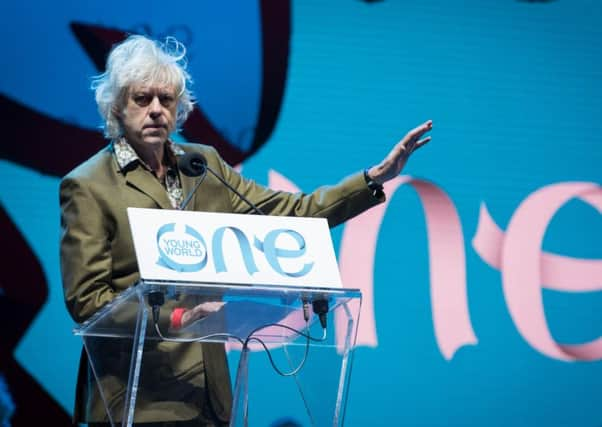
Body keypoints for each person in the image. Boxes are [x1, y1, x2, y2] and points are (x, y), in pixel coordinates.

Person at [59, 34, 432, 426]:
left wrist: (374, 178)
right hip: (137, 400)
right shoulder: (88, 185)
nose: (155, 110)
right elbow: (88, 301)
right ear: (117, 106)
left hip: (210, 399)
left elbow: (292, 212)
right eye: (142, 99)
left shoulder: (202, 165)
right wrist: (177, 317)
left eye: (165, 100)